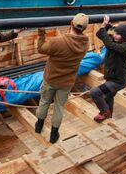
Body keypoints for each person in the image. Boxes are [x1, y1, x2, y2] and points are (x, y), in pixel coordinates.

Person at [35, 13, 89, 143]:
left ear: (71, 23)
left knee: (44, 102)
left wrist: (41, 33)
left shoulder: (57, 41)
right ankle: (54, 135)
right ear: (85, 28)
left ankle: (38, 126)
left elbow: (41, 49)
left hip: (51, 79)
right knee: (59, 107)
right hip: (66, 82)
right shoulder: (85, 44)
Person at [90, 16, 126, 122]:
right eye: (115, 33)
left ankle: (104, 112)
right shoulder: (119, 40)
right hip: (112, 76)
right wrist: (106, 26)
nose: (115, 36)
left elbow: (110, 45)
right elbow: (99, 34)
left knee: (95, 92)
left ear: (124, 36)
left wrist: (104, 29)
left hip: (117, 81)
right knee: (108, 97)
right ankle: (109, 115)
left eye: (118, 34)